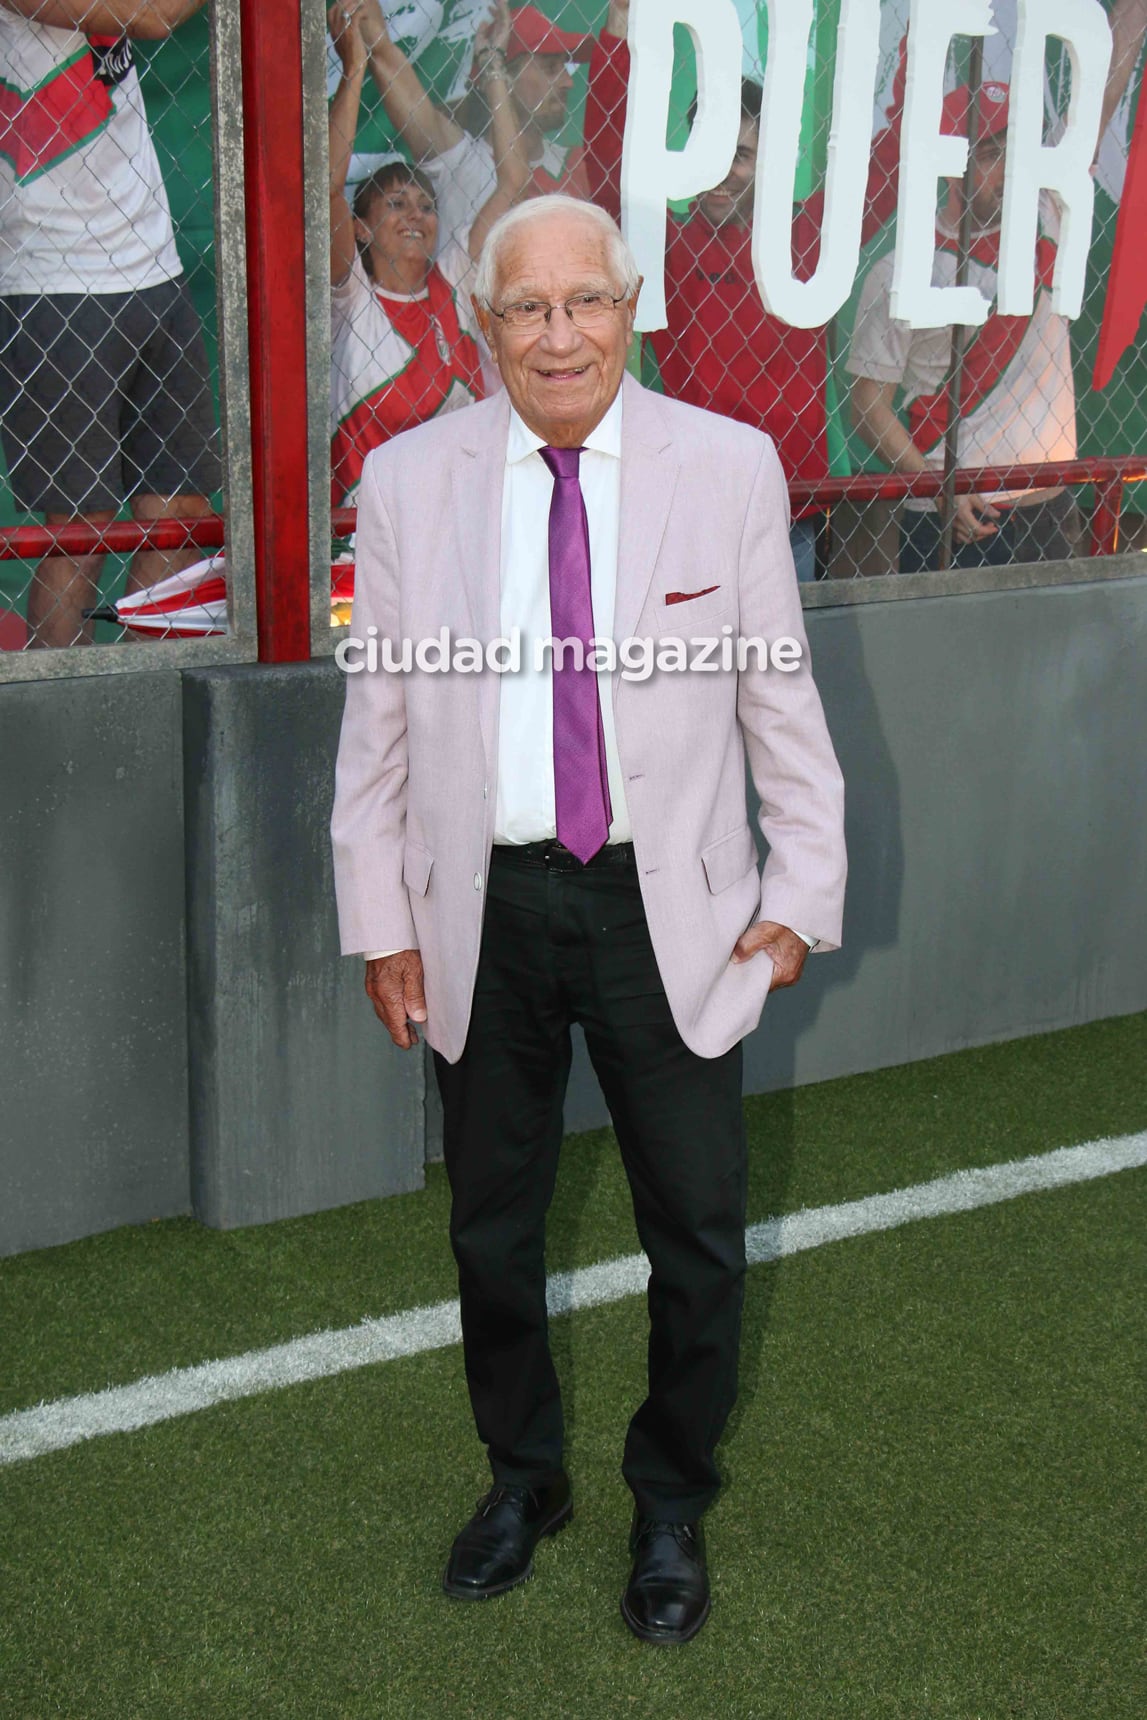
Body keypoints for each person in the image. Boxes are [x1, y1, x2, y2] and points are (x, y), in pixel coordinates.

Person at [330, 194, 847, 1644]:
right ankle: (522, 1479)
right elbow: (372, 731)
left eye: (585, 302)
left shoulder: (727, 467)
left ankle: (669, 1500)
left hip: (663, 914)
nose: (557, 335)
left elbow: (778, 705)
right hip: (478, 909)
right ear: (484, 322)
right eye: (524, 308)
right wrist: (381, 920)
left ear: (631, 309)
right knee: (489, 1233)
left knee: (696, 1233)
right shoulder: (407, 480)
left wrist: (796, 901)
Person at [582, 0, 903, 583]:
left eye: (743, 156)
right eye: (712, 152)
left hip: (790, 509)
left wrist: (916, 44)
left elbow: (886, 162)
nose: (724, 172)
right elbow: (607, 167)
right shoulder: (665, 243)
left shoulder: (808, 236)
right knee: (692, 670)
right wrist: (618, 30)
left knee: (779, 667)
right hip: (689, 507)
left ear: (770, 162)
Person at [0, 0, 219, 648]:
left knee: (180, 518)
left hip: (152, 259)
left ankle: (133, 709)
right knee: (81, 529)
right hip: (54, 277)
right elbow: (149, 15)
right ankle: (62, 719)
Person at [848, 83, 1082, 573]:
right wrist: (940, 490)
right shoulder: (902, 269)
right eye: (993, 153)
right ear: (952, 162)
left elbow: (1100, 98)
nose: (1011, 171)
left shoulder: (1050, 220)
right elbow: (868, 407)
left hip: (1051, 505)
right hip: (953, 512)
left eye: (1018, 152)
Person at [328, 1, 523, 505]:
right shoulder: (351, 298)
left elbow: (512, 180)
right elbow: (325, 188)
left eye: (426, 205)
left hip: (457, 526)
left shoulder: (453, 278)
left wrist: (494, 62)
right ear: (361, 230)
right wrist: (353, 72)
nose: (415, 215)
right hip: (362, 537)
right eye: (395, 204)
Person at [349, 0, 600, 266]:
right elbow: (384, 55)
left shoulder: (578, 165)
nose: (568, 81)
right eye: (551, 67)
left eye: (565, 67)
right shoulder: (457, 158)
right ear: (504, 77)